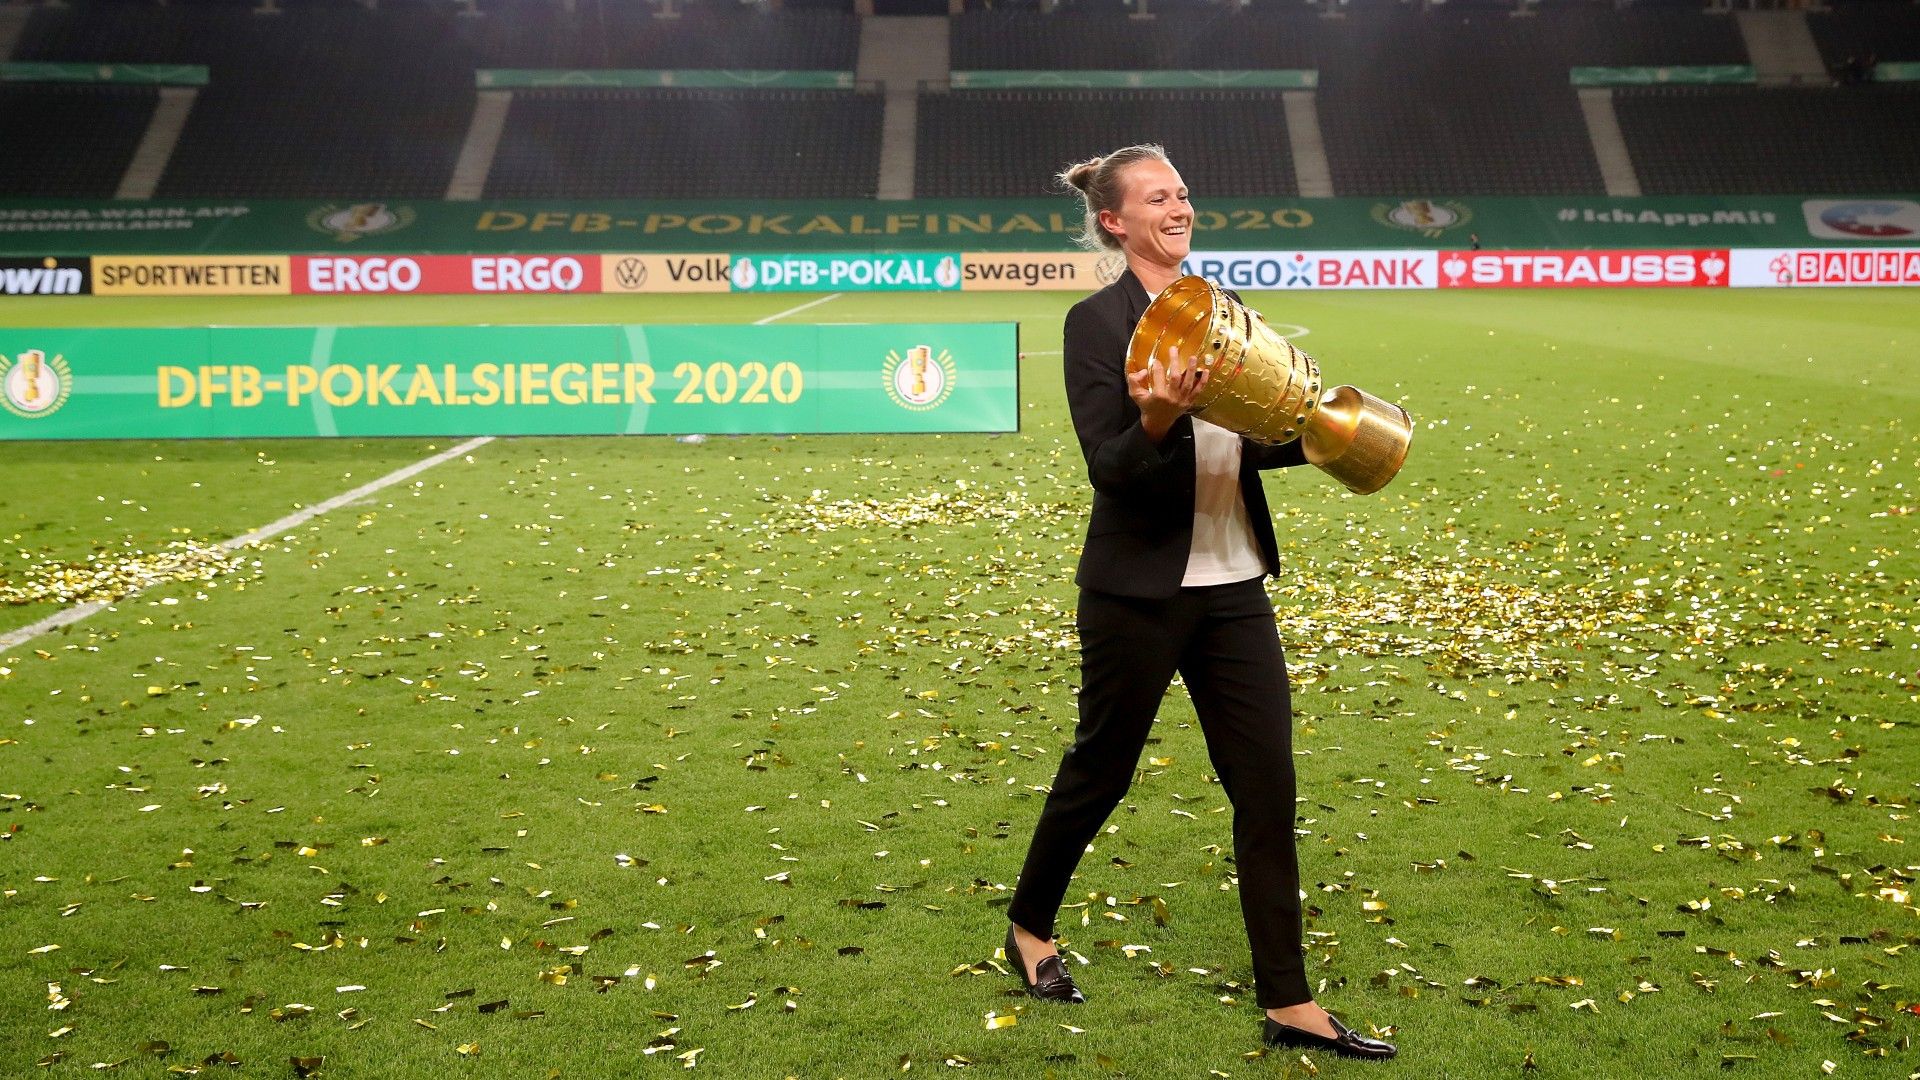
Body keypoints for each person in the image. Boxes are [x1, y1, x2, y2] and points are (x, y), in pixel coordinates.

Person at [1001, 143, 1397, 1061]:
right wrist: (1158, 413)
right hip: (1136, 595)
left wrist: (1328, 436)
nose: (1179, 207)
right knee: (1101, 770)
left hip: (1234, 590)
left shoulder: (1226, 313)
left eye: (1182, 192)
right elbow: (1113, 468)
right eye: (1157, 197)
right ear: (1115, 220)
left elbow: (1249, 447)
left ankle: (1290, 1002)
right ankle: (1028, 926)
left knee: (1268, 789)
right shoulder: (1094, 324)